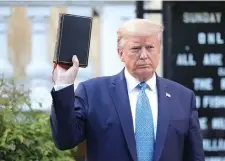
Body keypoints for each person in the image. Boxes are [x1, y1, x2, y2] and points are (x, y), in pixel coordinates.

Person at [50, 18, 205, 161]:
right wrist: (64, 85)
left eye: (150, 47)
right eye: (136, 48)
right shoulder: (93, 93)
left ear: (159, 50)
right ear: (121, 53)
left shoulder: (183, 97)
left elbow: (195, 156)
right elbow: (65, 140)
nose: (144, 55)